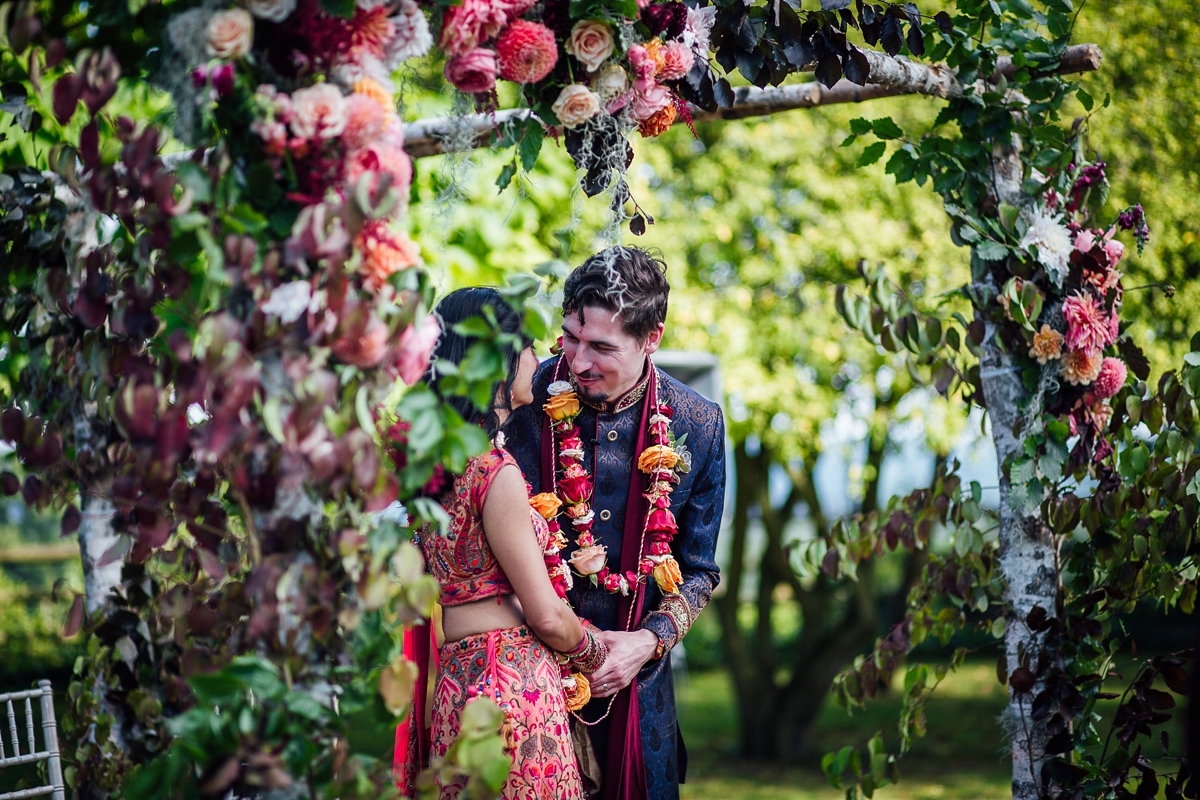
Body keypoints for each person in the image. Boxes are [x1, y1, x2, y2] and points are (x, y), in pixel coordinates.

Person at [506, 247, 727, 800]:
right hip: (526, 691)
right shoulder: (524, 399)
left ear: (652, 336)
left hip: (638, 702)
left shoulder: (698, 424)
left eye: (602, 347)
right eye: (570, 338)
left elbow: (699, 571)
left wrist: (646, 643)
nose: (577, 363)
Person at [396, 287, 604, 800]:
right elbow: (547, 616)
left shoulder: (434, 468)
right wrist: (595, 653)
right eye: (529, 346)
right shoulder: (494, 472)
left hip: (455, 687)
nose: (538, 360)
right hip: (512, 689)